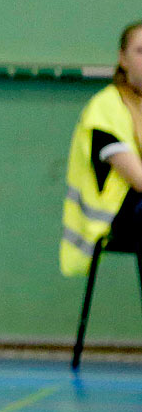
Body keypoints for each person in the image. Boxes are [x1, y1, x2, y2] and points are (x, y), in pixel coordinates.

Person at [60, 21, 142, 277]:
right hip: (119, 218)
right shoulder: (106, 108)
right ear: (123, 59)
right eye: (140, 51)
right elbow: (139, 179)